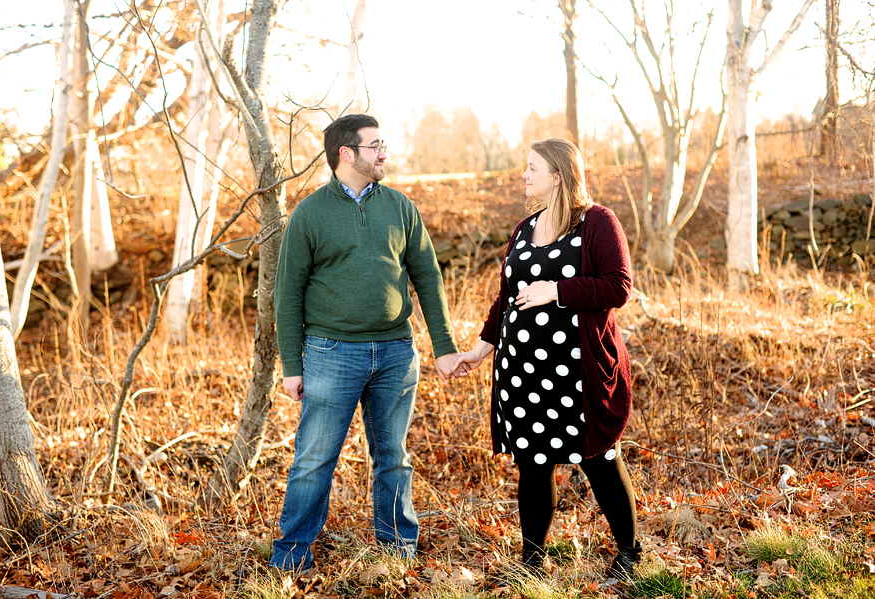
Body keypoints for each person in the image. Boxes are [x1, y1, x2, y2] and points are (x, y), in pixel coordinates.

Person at [270, 114, 460, 572]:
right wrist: (291, 366)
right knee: (314, 461)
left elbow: (428, 278)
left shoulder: (400, 206)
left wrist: (444, 345)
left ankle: (397, 553)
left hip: (396, 351)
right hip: (331, 354)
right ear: (346, 154)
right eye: (375, 145)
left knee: (393, 457)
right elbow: (288, 293)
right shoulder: (310, 213)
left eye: (383, 144)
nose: (384, 153)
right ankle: (291, 559)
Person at [451, 138, 641, 581]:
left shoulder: (597, 222)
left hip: (578, 370)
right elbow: (507, 299)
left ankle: (630, 554)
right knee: (533, 463)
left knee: (599, 459)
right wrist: (481, 349)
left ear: (558, 175)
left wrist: (556, 291)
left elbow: (619, 286)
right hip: (523, 370)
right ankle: (532, 562)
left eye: (532, 168)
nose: (524, 174)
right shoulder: (524, 228)